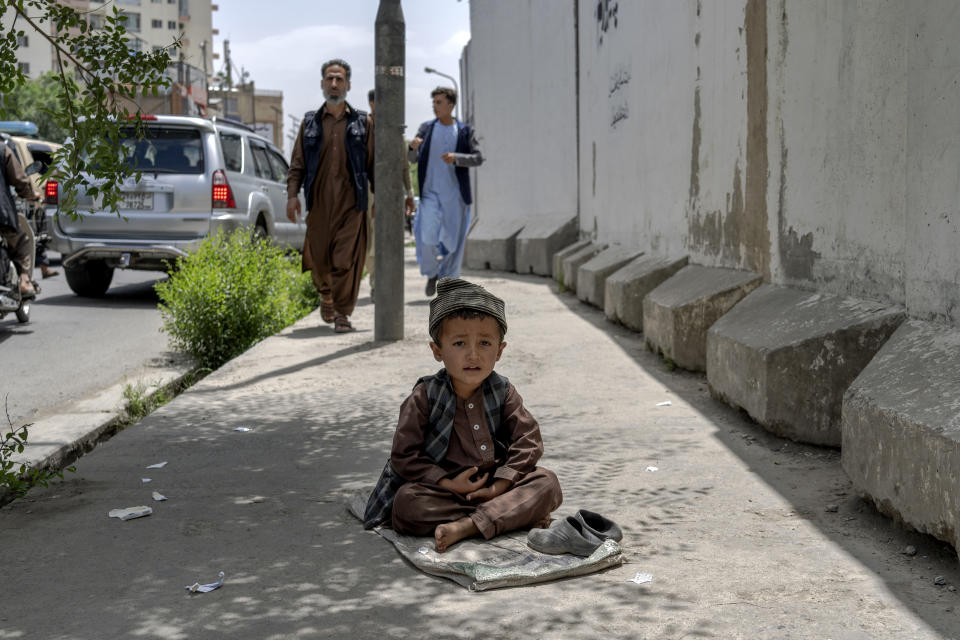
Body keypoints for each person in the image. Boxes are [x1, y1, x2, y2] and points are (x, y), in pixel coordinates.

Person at [363, 277, 562, 552]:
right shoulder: (425, 396)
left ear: (500, 350)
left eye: (484, 343)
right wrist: (447, 482)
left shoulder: (503, 391)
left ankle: (467, 526)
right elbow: (404, 455)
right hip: (443, 492)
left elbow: (528, 440)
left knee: (547, 483)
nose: (473, 355)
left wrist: (498, 487)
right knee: (406, 504)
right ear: (437, 351)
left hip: (495, 487)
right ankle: (505, 515)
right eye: (458, 344)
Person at [286, 59, 374, 333]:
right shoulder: (310, 122)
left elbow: (373, 164)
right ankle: (325, 294)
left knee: (346, 260)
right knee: (320, 261)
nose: (334, 84)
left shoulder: (362, 122)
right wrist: (292, 195)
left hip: (352, 202)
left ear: (348, 84)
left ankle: (342, 314)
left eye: (339, 79)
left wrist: (378, 201)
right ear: (323, 83)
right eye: (329, 79)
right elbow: (298, 162)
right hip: (320, 202)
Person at [408, 87, 483, 297]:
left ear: (451, 105)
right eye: (433, 102)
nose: (435, 106)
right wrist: (412, 149)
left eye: (439, 102)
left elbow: (478, 157)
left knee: (453, 242)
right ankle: (432, 274)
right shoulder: (426, 129)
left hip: (455, 196)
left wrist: (458, 157)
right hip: (430, 194)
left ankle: (448, 281)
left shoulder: (465, 131)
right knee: (426, 237)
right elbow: (411, 159)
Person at [365, 88, 416, 301]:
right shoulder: (362, 128)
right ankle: (375, 281)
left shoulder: (396, 131)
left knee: (388, 238)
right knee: (370, 240)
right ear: (372, 104)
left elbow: (404, 166)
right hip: (367, 192)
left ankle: (384, 283)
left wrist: (410, 193)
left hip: (392, 192)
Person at [0, 136, 40, 297]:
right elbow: (20, 180)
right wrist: (29, 194)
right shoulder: (3, 149)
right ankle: (24, 281)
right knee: (22, 241)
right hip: (1, 214)